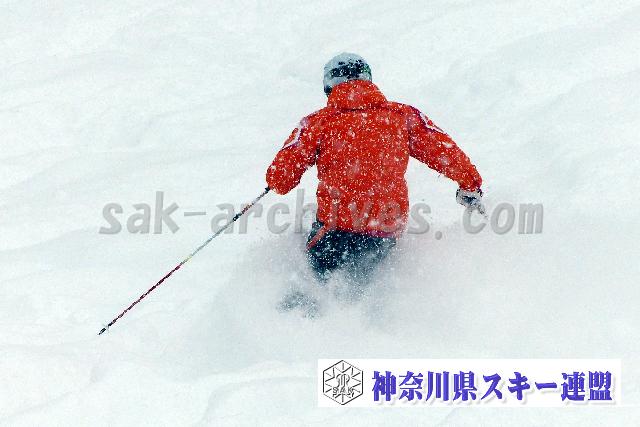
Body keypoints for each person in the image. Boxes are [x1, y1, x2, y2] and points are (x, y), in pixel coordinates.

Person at [266, 53, 483, 308]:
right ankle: (375, 319)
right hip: (384, 229)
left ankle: (296, 319)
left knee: (311, 287)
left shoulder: (317, 123)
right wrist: (470, 184)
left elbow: (280, 180)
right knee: (366, 287)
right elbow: (444, 151)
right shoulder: (402, 116)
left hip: (336, 230)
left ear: (329, 86)